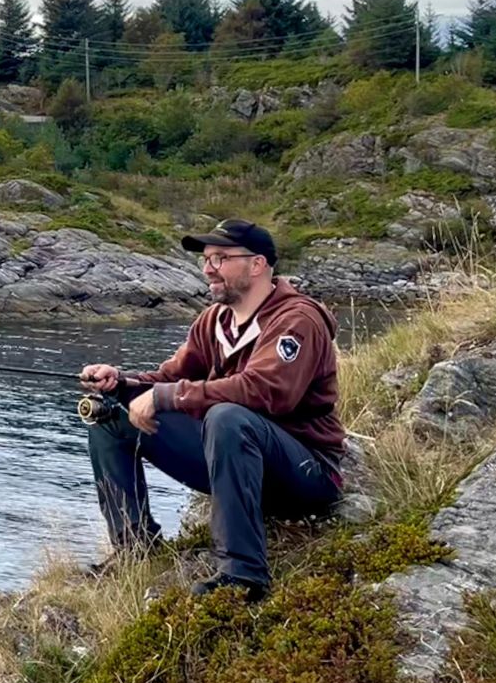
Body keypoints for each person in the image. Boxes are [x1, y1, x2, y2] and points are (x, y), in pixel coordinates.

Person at [79, 219, 344, 600]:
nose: (207, 269)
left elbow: (268, 392)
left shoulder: (296, 320)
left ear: (257, 265)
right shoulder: (214, 321)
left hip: (305, 472)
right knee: (108, 417)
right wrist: (122, 382)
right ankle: (133, 550)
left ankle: (243, 575)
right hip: (234, 462)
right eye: (206, 259)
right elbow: (170, 376)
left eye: (220, 258)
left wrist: (166, 397)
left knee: (227, 415)